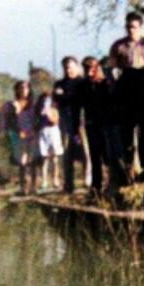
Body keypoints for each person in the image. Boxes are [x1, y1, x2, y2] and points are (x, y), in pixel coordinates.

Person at [109, 11, 144, 182]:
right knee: (126, 133)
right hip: (126, 88)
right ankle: (127, 172)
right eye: (129, 27)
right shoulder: (118, 46)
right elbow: (112, 68)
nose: (132, 30)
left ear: (141, 27)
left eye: (135, 27)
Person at [81, 56, 127, 193]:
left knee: (111, 156)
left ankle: (118, 183)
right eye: (87, 69)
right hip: (93, 123)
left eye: (93, 68)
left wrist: (105, 82)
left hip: (110, 123)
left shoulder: (109, 80)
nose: (91, 72)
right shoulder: (84, 84)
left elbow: (115, 98)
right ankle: (96, 186)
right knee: (95, 156)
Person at [53, 56, 87, 193]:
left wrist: (66, 96)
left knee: (85, 154)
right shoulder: (59, 84)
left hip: (82, 122)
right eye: (66, 67)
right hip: (66, 123)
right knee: (67, 154)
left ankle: (88, 182)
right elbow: (57, 98)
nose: (69, 70)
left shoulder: (82, 83)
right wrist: (66, 96)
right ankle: (68, 184)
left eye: (71, 67)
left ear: (77, 67)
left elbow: (81, 99)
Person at [0, 80, 38, 195]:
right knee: (22, 162)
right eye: (21, 88)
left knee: (33, 161)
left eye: (26, 88)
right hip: (18, 136)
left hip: (32, 135)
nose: (23, 90)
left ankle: (33, 186)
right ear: (17, 90)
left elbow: (37, 120)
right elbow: (4, 119)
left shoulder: (33, 105)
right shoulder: (11, 105)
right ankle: (23, 187)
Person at [35, 91, 64, 190]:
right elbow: (37, 123)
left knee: (55, 159)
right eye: (44, 100)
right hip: (43, 133)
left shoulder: (54, 109)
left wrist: (49, 114)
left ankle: (55, 180)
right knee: (44, 158)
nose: (45, 102)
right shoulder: (39, 110)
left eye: (47, 100)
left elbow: (55, 121)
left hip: (53, 133)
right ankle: (44, 181)